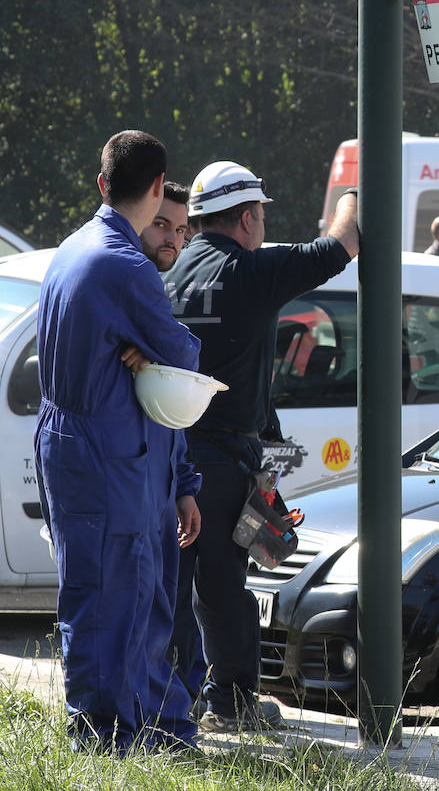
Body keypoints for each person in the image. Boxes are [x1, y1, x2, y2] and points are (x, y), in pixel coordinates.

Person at [165, 159, 360, 731]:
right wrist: (353, 187)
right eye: (262, 217)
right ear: (249, 218)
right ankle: (232, 700)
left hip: (170, 458)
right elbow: (343, 240)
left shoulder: (169, 275)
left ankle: (176, 699)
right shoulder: (251, 271)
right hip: (221, 462)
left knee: (175, 586)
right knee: (225, 587)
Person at [34, 129, 203, 751]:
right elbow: (183, 356)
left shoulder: (75, 246)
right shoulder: (124, 264)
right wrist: (151, 354)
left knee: (109, 595)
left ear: (103, 183)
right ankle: (108, 739)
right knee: (112, 602)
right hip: (108, 457)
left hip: (80, 446)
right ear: (158, 187)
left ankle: (152, 727)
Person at [132, 179, 207, 705]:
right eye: (163, 224)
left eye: (182, 230)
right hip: (122, 480)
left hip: (159, 483)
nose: (173, 240)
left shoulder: (154, 289)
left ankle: (163, 717)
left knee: (162, 611)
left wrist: (184, 488)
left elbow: (169, 412)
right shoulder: (118, 279)